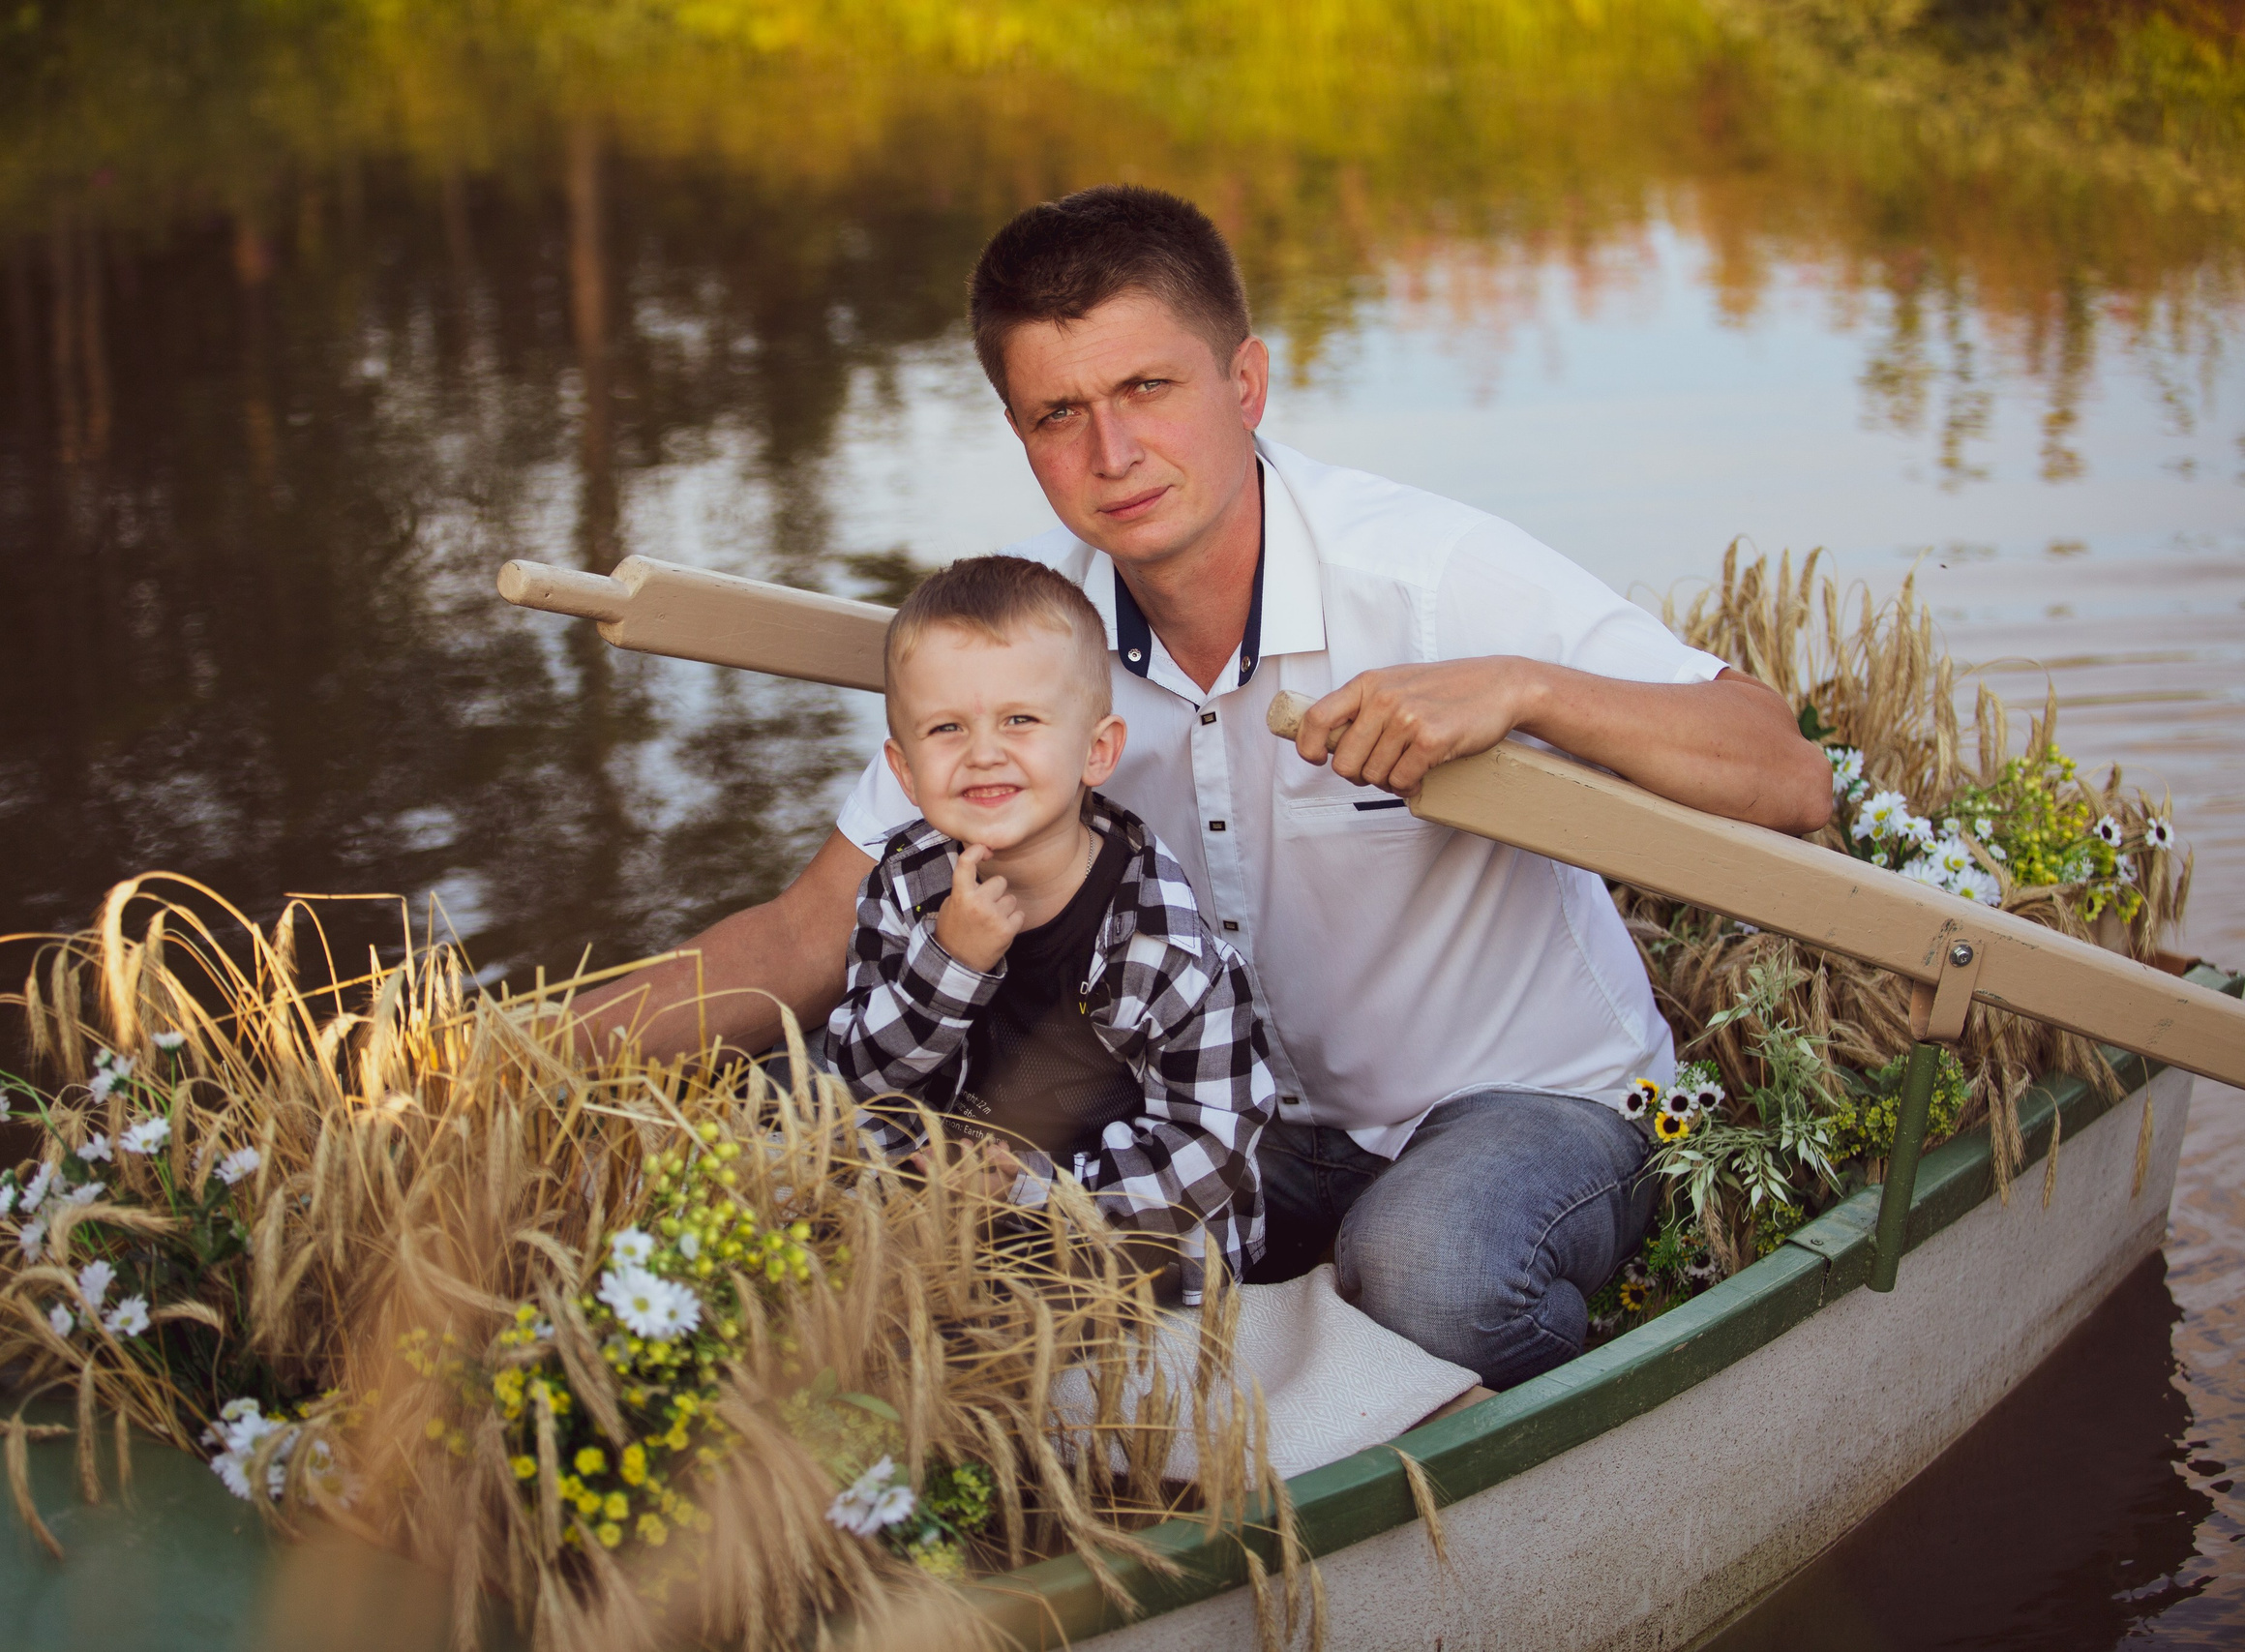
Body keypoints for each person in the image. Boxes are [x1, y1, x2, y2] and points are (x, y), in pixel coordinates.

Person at [569, 185, 1832, 1389]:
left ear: (1246, 381)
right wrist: (501, 1060)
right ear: (1021, 436)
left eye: (1148, 387)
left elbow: (1785, 771)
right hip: (1245, 1118)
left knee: (1431, 1268)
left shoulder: (1429, 573)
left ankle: (1569, 1446)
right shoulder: (1033, 639)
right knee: (832, 1132)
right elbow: (805, 933)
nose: (1113, 450)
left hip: (1529, 1100)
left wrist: (1521, 688)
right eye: (1059, 413)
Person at [825, 556, 1275, 1304]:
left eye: (1020, 720)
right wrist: (949, 964)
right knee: (808, 1173)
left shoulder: (1160, 946)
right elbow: (863, 1074)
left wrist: (1036, 1198)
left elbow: (1211, 1143)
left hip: (1124, 1219)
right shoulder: (907, 883)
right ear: (905, 773)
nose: (983, 752)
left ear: (1096, 750)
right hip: (947, 1189)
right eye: (946, 728)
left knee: (1050, 1299)